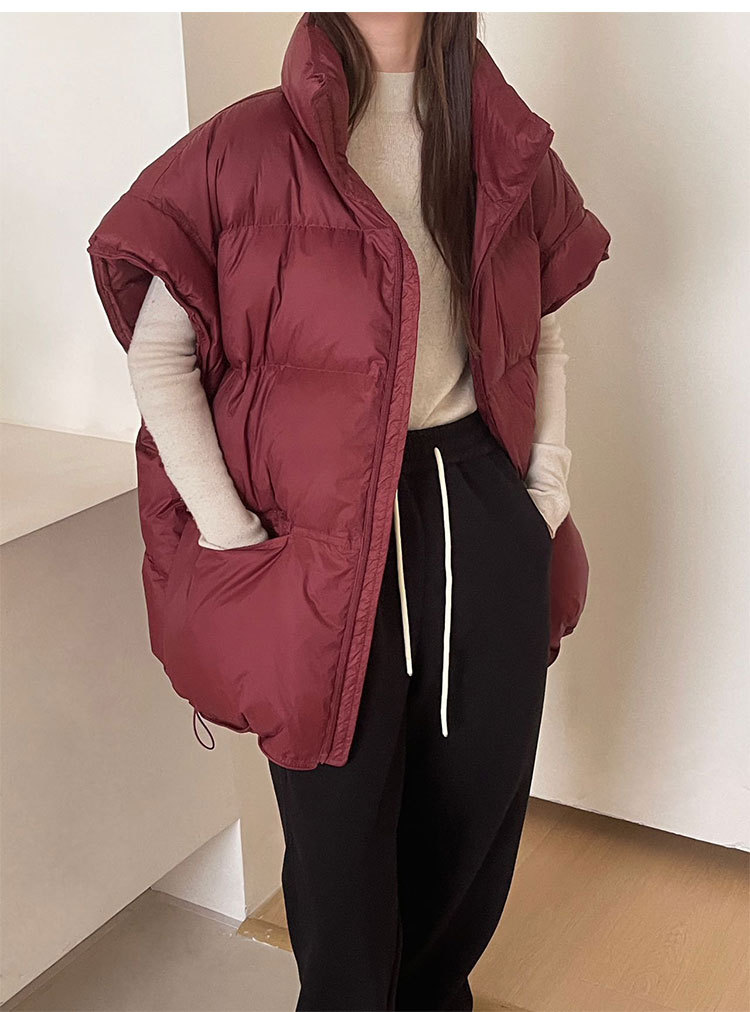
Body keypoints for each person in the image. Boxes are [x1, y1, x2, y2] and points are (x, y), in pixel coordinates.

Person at [88, 12, 610, 1011]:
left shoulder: (506, 142)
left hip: (476, 502)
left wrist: (545, 491)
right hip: (316, 534)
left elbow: (544, 330)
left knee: (477, 807)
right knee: (339, 831)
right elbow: (159, 355)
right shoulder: (241, 149)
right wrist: (232, 533)